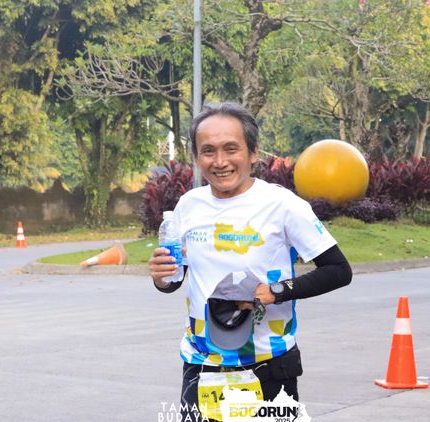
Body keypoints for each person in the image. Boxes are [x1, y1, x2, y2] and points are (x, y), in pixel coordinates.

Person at [148, 102, 352, 421]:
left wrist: (276, 291)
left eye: (231, 149)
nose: (220, 162)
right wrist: (162, 277)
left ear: (253, 152)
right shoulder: (189, 206)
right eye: (208, 151)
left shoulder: (282, 205)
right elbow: (176, 279)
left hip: (267, 367)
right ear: (197, 158)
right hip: (202, 366)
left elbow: (338, 270)